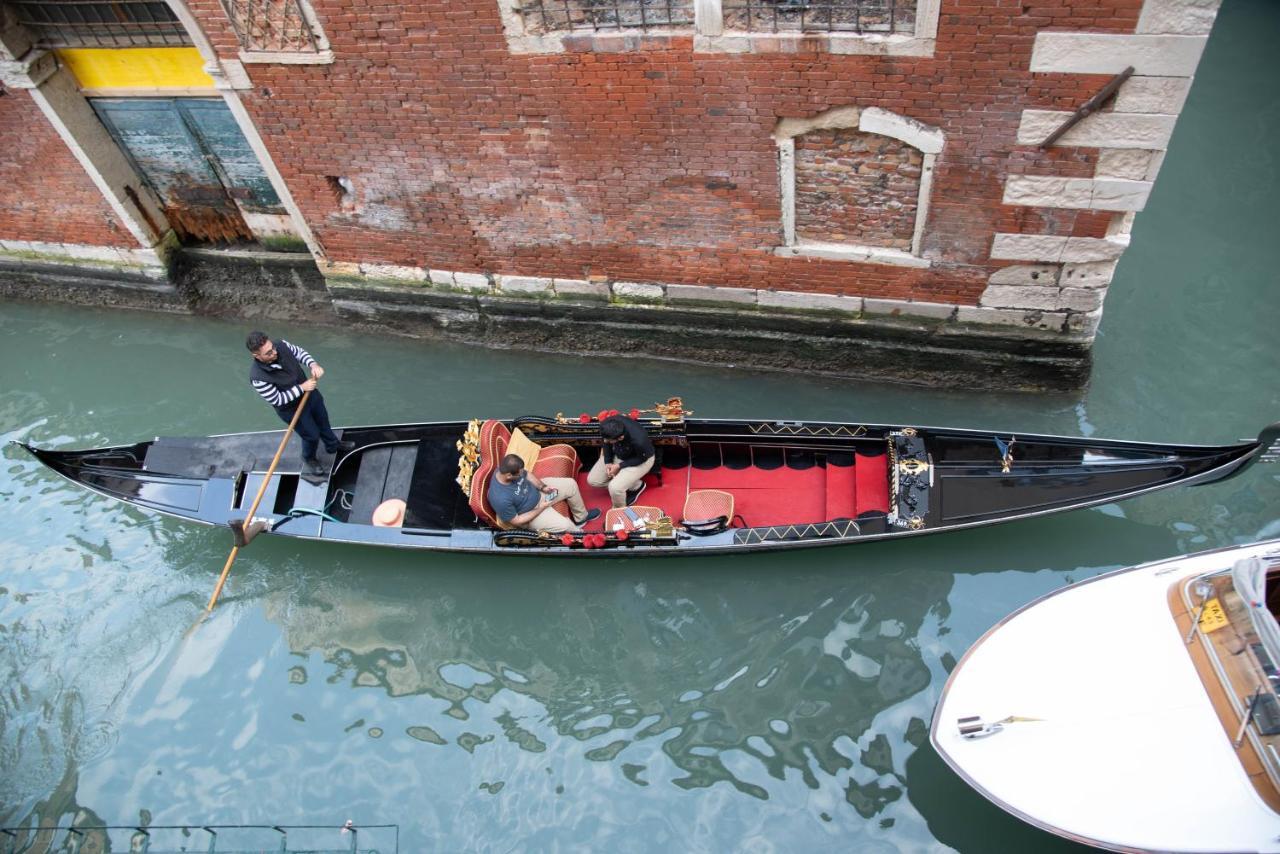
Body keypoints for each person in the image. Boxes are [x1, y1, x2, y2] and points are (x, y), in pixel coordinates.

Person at [246, 330, 353, 478]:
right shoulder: (258, 377)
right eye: (268, 353)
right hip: (292, 409)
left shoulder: (281, 345)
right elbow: (277, 399)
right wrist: (302, 388)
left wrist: (313, 365)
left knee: (323, 421)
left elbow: (300, 353)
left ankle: (332, 445)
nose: (274, 353)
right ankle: (309, 458)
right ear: (257, 356)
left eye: (273, 348)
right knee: (311, 435)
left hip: (311, 395)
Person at [487, 454, 601, 533]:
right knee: (566, 525)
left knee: (570, 484)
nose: (521, 475)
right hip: (532, 513)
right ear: (508, 476)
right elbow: (516, 521)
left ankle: (581, 518)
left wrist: (543, 487)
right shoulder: (500, 498)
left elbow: (527, 474)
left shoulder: (505, 468)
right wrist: (541, 508)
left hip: (539, 493)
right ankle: (581, 535)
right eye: (518, 475)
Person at [588, 414, 655, 508]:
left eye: (609, 440)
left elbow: (642, 458)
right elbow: (606, 443)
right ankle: (636, 485)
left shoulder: (639, 440)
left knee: (615, 488)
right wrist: (608, 462)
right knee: (594, 481)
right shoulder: (607, 425)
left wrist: (619, 466)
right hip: (618, 453)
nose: (606, 441)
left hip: (641, 459)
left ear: (620, 438)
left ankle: (618, 511)